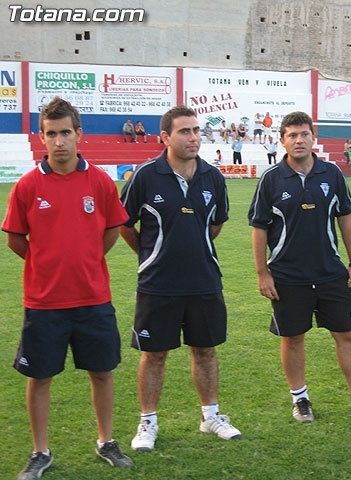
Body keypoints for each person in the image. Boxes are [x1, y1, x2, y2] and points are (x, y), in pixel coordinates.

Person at [3, 97, 133, 479]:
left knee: (102, 372)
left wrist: (88, 259)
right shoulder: (27, 186)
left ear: (79, 134)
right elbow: (15, 239)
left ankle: (106, 440)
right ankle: (40, 451)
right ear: (42, 137)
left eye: (65, 133)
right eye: (51, 134)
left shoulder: (100, 182)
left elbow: (112, 228)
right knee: (39, 377)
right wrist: (46, 264)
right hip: (44, 302)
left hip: (94, 297)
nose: (59, 141)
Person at [248, 111, 351, 425]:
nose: (299, 140)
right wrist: (263, 273)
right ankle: (300, 399)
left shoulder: (331, 174)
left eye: (304, 134)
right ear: (282, 140)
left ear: (313, 138)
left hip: (331, 273)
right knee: (293, 338)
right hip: (287, 276)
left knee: (347, 334)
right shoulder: (272, 179)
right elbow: (259, 228)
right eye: (292, 135)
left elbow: (346, 219)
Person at [120, 105, 241, 453]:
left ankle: (211, 416)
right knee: (154, 354)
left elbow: (215, 224)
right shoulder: (144, 176)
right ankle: (148, 421)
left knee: (205, 350)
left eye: (196, 130)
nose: (192, 137)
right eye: (184, 131)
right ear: (165, 137)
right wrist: (151, 254)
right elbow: (125, 225)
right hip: (158, 283)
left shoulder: (212, 177)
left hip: (204, 280)